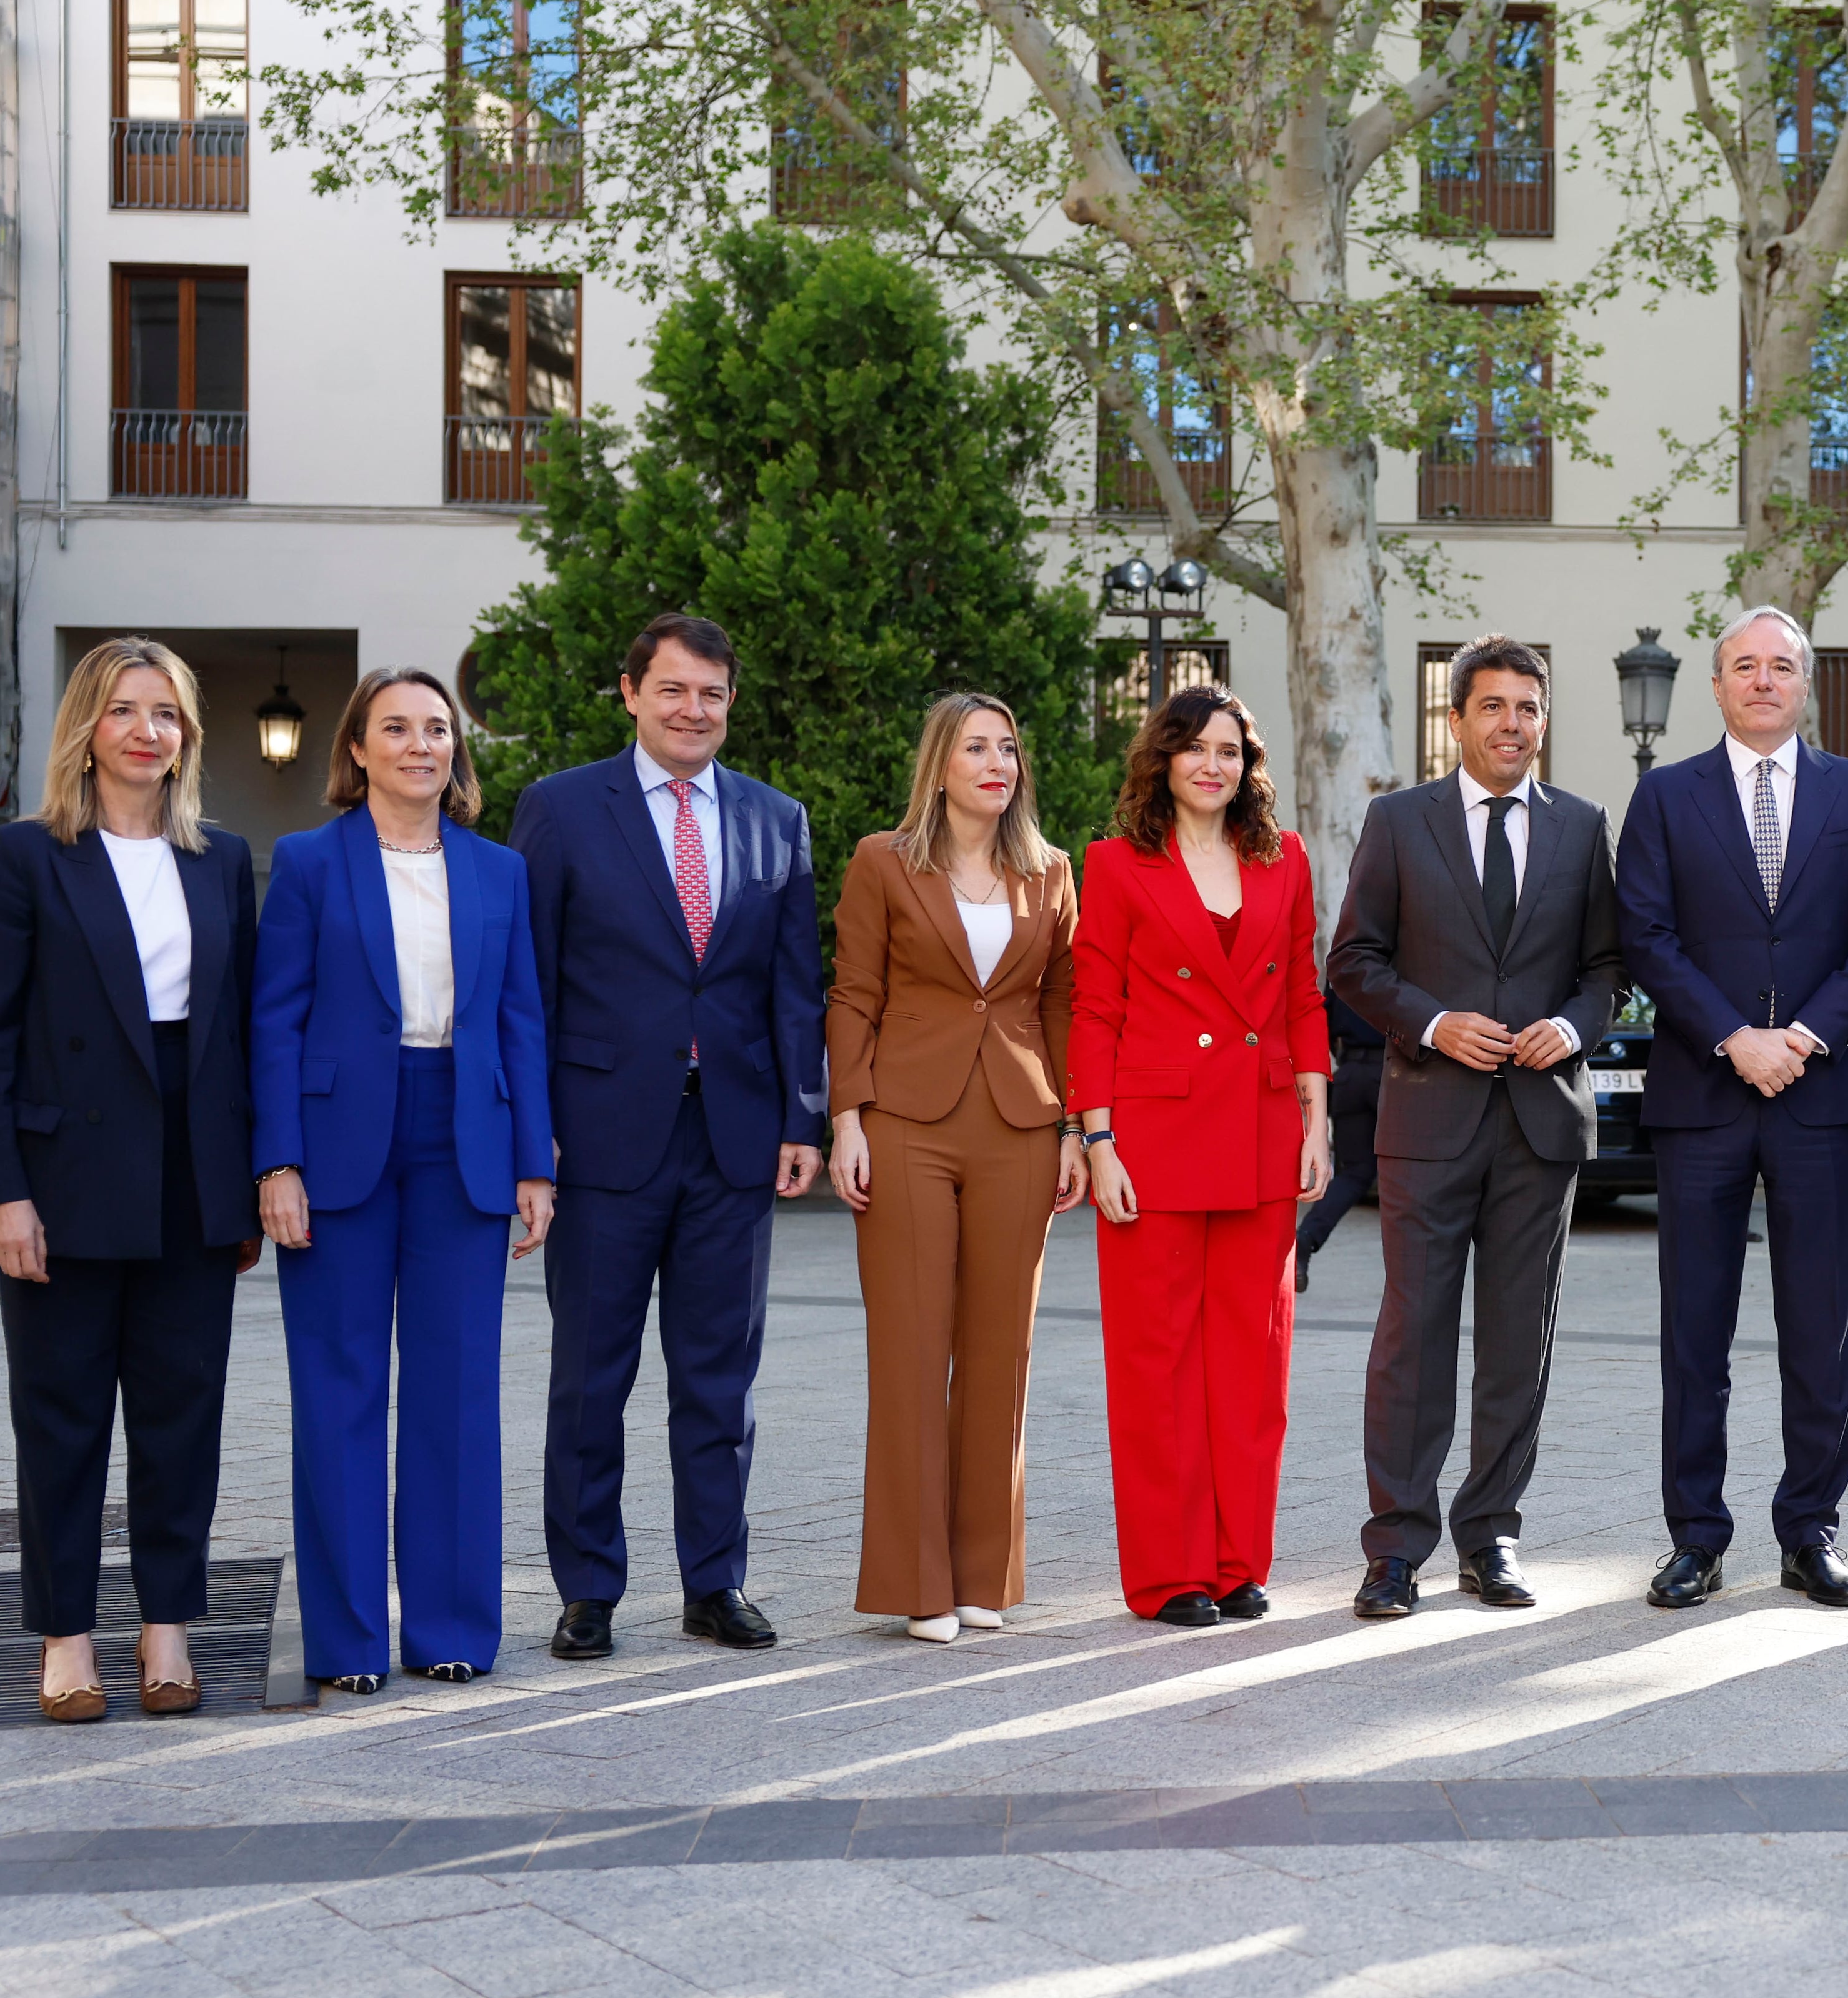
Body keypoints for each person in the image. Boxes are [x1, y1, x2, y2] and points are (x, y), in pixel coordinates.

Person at [511, 613, 826, 1662]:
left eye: (714, 695)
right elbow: (531, 986)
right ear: (631, 691)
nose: (695, 710)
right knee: (591, 1377)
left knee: (719, 1379)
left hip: (732, 1139)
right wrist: (533, 1133)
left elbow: (793, 986)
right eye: (676, 690)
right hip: (600, 1140)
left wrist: (801, 1115)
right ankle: (589, 1587)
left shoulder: (778, 819)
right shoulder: (561, 810)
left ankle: (714, 1580)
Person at [0, 639, 258, 1721]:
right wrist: (3, 1190)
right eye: (125, 710)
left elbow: (236, 1033)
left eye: (167, 713)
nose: (147, 730)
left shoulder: (221, 858)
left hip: (192, 1170)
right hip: (65, 1174)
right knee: (63, 1417)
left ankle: (169, 1628)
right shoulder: (27, 856)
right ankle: (67, 1638)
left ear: (186, 734)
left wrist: (249, 1177)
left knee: (183, 1413)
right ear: (86, 728)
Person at [253, 669, 552, 1692]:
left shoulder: (497, 872)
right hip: (336, 1147)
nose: (421, 743)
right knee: (337, 1392)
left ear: (454, 752)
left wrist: (535, 1163)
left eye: (437, 727)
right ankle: (345, 1644)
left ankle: (452, 1626)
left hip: (464, 1139)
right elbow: (274, 1019)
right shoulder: (306, 863)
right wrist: (277, 1159)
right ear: (359, 750)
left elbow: (521, 1021)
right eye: (398, 727)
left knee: (458, 1390)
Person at [1614, 606, 1848, 1611]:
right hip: (1703, 1091)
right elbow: (1646, 935)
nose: (1761, 680)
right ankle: (1696, 1536)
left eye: (1780, 665)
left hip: (1820, 1093)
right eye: (1743, 665)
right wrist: (1734, 1037)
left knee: (1819, 1328)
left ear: (1805, 684)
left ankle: (1810, 1530)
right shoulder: (1664, 797)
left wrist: (1801, 1038)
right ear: (1715, 685)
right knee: (1694, 1330)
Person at [1329, 635, 1624, 1618]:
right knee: (1412, 1340)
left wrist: (1571, 1027)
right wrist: (1436, 1021)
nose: (1511, 724)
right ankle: (1396, 1549)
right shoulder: (1399, 821)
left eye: (1528, 708)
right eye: (1492, 706)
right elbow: (1355, 962)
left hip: (1542, 1128)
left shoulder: (1584, 828)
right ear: (1455, 719)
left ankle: (1491, 1535)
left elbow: (1606, 972)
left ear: (1544, 721)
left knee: (1516, 1344)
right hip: (1428, 1119)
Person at [826, 693, 1086, 1644]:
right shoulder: (882, 861)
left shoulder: (1051, 870)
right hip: (904, 1122)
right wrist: (846, 1117)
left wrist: (1075, 1129)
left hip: (1021, 1122)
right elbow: (854, 992)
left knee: (999, 1356)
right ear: (941, 765)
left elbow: (1064, 1003)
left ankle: (984, 1574)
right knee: (907, 1352)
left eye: (1008, 747)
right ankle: (918, 1581)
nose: (996, 762)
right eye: (976, 747)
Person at [1068, 686, 1332, 1626]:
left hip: (1261, 1136)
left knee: (1253, 1366)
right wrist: (1096, 1141)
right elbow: (1095, 1007)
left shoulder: (1285, 860)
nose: (1214, 765)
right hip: (1153, 1138)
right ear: (1164, 762)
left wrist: (1318, 1121)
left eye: (1231, 751)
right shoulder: (1116, 865)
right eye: (1195, 749)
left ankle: (1236, 1561)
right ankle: (1169, 1573)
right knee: (1156, 1363)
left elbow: (1303, 995)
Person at [1292, 986, 1384, 1294]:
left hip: (1350, 1075)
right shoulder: (1409, 957)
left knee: (1355, 1173)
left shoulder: (1349, 962)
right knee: (1416, 1172)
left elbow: (1321, 1022)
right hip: (1397, 1075)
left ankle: (1305, 1239)